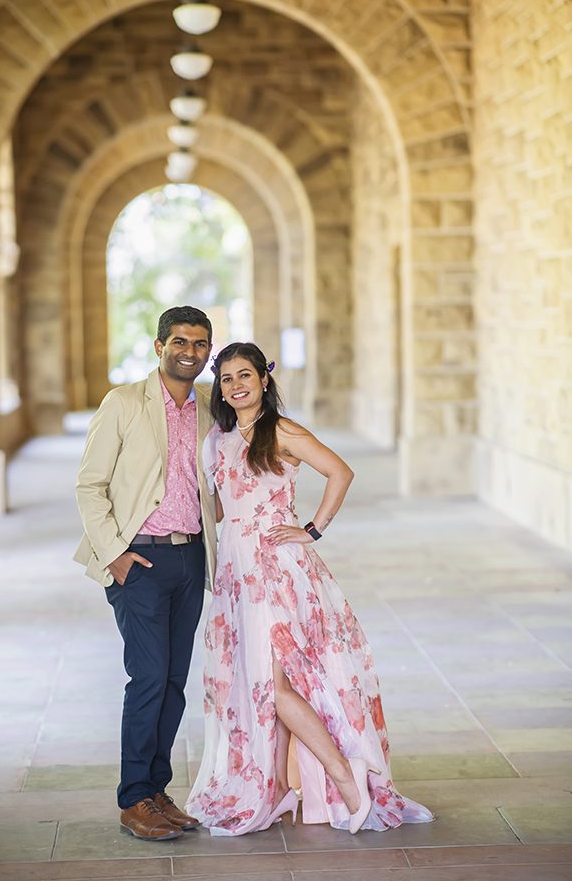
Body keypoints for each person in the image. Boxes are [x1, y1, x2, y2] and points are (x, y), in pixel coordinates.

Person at [186, 342, 434, 836]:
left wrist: (313, 529)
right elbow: (221, 509)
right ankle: (275, 786)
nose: (236, 386)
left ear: (264, 380)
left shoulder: (282, 431)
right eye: (228, 378)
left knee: (274, 686)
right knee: (258, 683)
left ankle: (346, 776)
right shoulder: (217, 440)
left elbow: (340, 471)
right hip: (237, 573)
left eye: (246, 376)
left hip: (277, 568)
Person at [74, 306, 217, 841]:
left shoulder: (208, 406)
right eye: (180, 341)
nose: (190, 351)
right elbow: (90, 485)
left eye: (201, 343)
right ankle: (134, 798)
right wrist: (114, 553)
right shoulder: (123, 403)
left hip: (190, 556)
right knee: (149, 677)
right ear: (159, 346)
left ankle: (158, 792)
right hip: (139, 559)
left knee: (175, 681)